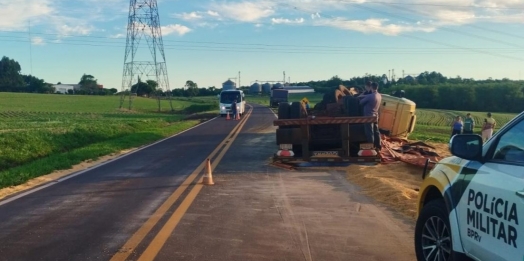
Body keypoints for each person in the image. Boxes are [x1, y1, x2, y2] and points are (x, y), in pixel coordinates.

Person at [359, 82, 382, 151]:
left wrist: (362, 95)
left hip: (368, 117)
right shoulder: (379, 95)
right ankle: (378, 146)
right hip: (375, 116)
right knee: (376, 131)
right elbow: (370, 97)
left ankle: (371, 148)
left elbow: (360, 102)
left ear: (371, 87)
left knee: (369, 133)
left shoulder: (370, 96)